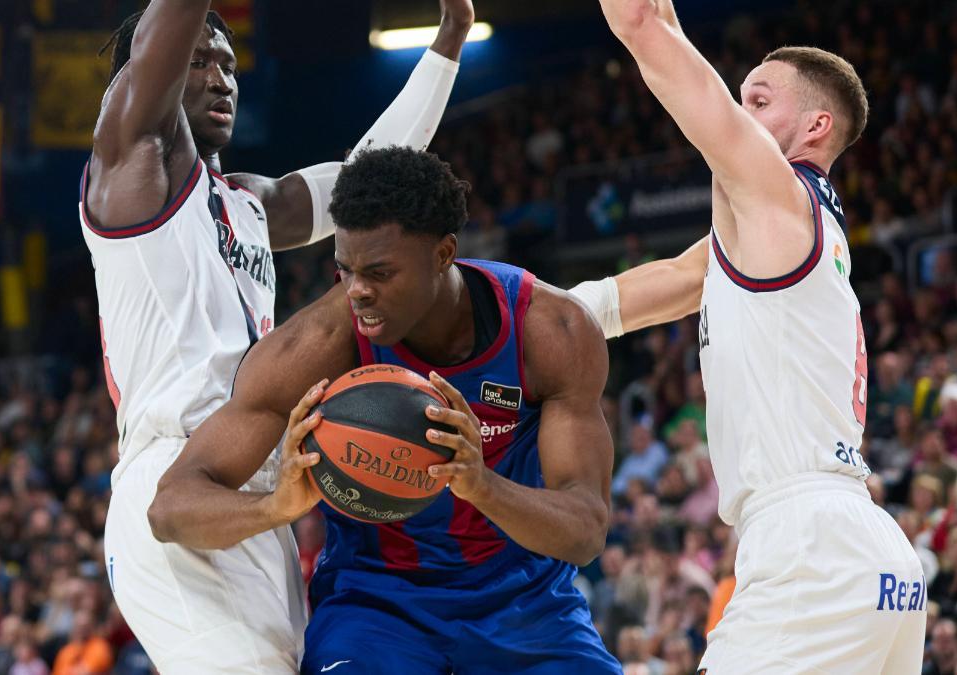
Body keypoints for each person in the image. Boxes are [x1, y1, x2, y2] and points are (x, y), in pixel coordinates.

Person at [82, 0, 476, 670]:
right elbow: (157, 41)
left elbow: (371, 177)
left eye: (231, 66)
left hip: (257, 481)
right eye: (200, 61)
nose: (220, 79)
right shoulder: (130, 171)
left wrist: (450, 38)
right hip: (177, 479)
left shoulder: (248, 203)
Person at [148, 147, 622, 674]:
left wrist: (481, 484)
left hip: (525, 604)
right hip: (377, 607)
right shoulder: (316, 345)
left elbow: (585, 532)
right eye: (345, 270)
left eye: (379, 272)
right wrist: (275, 508)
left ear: (444, 254)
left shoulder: (551, 331)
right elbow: (169, 509)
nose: (358, 292)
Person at [583, 0, 926, 670]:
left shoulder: (779, 197)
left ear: (815, 126)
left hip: (809, 547)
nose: (739, 113)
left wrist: (650, 27)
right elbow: (683, 278)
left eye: (758, 100)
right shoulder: (791, 230)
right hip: (871, 557)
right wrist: (546, 311)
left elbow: (644, 29)